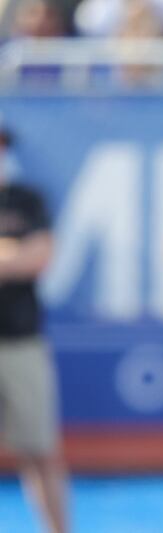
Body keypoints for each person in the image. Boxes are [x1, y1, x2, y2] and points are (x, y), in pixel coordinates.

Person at [0, 121, 68, 533]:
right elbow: (22, 257)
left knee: (40, 449)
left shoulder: (26, 199)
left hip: (21, 341)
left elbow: (39, 257)